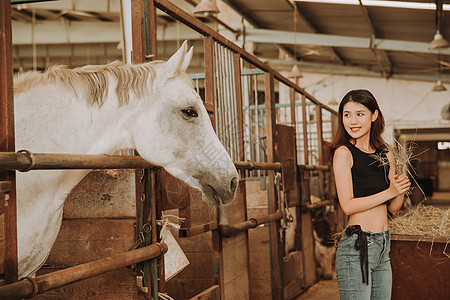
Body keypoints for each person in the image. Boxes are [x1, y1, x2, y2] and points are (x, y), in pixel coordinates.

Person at [328, 89, 410, 300]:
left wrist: (399, 190)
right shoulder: (343, 153)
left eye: (359, 114)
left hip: (384, 244)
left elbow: (392, 208)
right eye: (347, 115)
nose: (352, 121)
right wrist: (389, 191)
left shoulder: (386, 153)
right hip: (357, 246)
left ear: (374, 116)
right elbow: (347, 205)